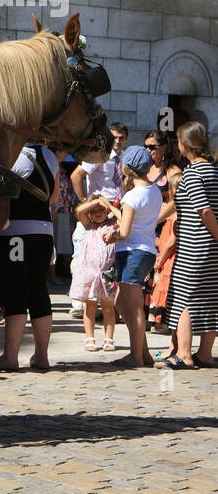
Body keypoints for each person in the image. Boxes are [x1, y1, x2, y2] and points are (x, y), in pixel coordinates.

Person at [0, 142, 60, 371]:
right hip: (44, 232)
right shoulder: (50, 155)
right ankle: (41, 356)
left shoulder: (13, 152)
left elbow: (1, 193)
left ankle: (10, 357)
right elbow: (54, 197)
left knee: (16, 290)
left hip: (17, 233)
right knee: (38, 290)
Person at [162, 123, 218, 368]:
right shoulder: (213, 171)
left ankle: (184, 354)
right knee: (208, 297)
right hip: (210, 247)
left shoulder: (193, 173)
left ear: (185, 144)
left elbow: (204, 209)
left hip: (195, 245)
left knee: (185, 297)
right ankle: (204, 354)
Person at [102, 145, 163, 367]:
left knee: (135, 308)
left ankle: (136, 356)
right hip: (145, 250)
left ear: (127, 169)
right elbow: (135, 221)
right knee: (121, 302)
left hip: (131, 253)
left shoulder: (131, 196)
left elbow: (125, 231)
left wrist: (112, 235)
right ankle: (143, 351)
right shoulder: (154, 191)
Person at [69, 196, 118, 351]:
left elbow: (123, 218)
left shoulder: (113, 225)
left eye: (100, 209)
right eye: (93, 210)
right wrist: (96, 202)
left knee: (108, 307)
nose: (97, 212)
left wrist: (108, 205)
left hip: (107, 273)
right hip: (89, 273)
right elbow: (79, 211)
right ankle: (90, 338)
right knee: (89, 306)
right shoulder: (88, 226)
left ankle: (109, 339)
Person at [148, 172, 182, 340]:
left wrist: (161, 258)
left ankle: (162, 322)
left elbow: (171, 241)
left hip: (169, 256)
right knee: (160, 286)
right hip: (164, 253)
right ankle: (157, 320)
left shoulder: (177, 212)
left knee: (164, 287)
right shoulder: (172, 209)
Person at [72, 122, 127, 202]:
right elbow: (76, 176)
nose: (117, 141)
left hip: (121, 204)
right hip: (101, 205)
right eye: (114, 137)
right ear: (108, 138)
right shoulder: (99, 155)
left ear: (126, 139)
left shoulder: (126, 157)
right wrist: (85, 202)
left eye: (121, 138)